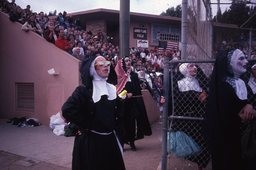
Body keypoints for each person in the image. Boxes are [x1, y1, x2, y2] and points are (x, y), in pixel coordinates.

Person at [61, 55, 125, 170]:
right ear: (92, 69)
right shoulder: (84, 90)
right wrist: (87, 124)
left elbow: (117, 112)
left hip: (110, 140)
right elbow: (67, 109)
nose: (106, 67)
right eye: (101, 65)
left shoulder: (111, 88)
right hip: (91, 142)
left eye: (107, 64)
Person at [204, 48, 255, 170]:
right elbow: (239, 113)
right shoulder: (223, 86)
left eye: (245, 58)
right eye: (241, 58)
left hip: (243, 136)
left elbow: (245, 105)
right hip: (226, 138)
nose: (246, 62)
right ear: (229, 62)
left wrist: (249, 105)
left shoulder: (241, 82)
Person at [170, 63, 211, 170]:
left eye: (195, 66)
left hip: (200, 116)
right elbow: (177, 101)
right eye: (191, 66)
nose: (195, 68)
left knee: (204, 142)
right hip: (187, 118)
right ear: (184, 70)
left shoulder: (200, 82)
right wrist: (194, 95)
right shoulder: (179, 83)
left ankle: (201, 165)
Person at [115, 56, 152, 151]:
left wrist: (132, 94)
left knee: (132, 122)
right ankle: (122, 143)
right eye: (126, 61)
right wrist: (124, 95)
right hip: (121, 104)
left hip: (132, 104)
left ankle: (132, 142)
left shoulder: (134, 75)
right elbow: (116, 89)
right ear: (122, 63)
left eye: (129, 61)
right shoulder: (118, 75)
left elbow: (137, 90)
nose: (128, 62)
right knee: (122, 123)